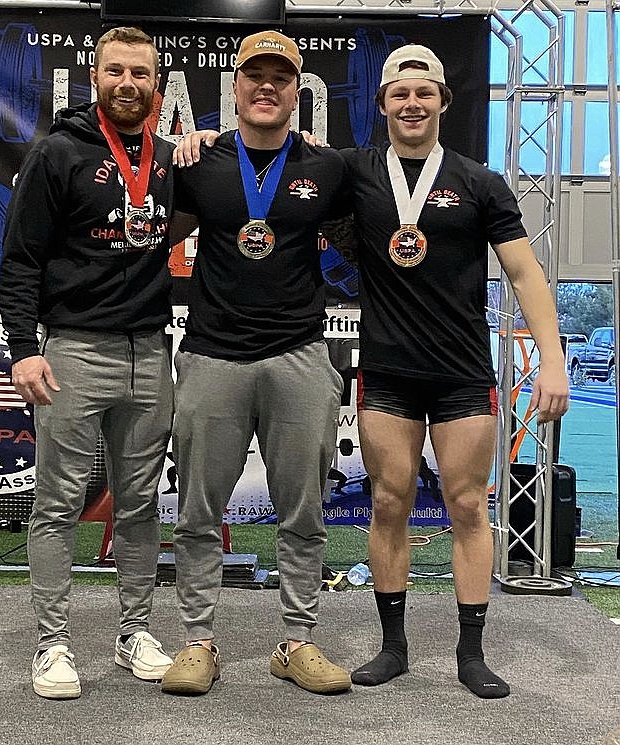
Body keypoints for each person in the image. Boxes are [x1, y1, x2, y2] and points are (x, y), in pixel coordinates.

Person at [340, 45, 569, 698]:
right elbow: (281, 158)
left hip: (463, 374)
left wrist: (552, 359)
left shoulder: (479, 181)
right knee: (389, 503)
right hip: (387, 371)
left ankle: (472, 651)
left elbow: (525, 272)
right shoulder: (355, 175)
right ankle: (393, 645)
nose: (412, 103)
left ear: (444, 100)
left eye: (424, 92)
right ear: (381, 104)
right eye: (399, 93)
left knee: (468, 505)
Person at [159, 30, 352, 696]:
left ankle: (296, 640)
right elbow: (143, 235)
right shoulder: (199, 161)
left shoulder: (328, 168)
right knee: (196, 509)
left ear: (297, 92)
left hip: (298, 354)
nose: (267, 86)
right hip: (213, 354)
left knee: (304, 509)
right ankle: (196, 642)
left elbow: (376, 240)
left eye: (281, 77)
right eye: (255, 76)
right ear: (235, 87)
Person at [0, 27, 184, 699]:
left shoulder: (168, 159)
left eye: (140, 72)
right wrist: (23, 348)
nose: (127, 82)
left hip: (150, 352)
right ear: (96, 77)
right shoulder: (57, 153)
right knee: (57, 502)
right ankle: (52, 643)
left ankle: (134, 630)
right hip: (74, 348)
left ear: (156, 84)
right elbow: (19, 259)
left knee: (137, 504)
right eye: (116, 72)